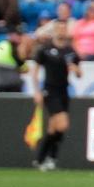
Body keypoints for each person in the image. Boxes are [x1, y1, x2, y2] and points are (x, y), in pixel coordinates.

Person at [31, 21, 80, 170]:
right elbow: (35, 71)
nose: (61, 31)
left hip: (64, 91)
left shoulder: (70, 51)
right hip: (50, 91)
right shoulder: (45, 49)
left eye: (64, 29)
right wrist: (37, 91)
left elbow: (79, 73)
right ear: (54, 31)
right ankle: (51, 158)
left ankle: (42, 160)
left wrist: (75, 69)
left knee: (53, 129)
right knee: (63, 125)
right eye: (59, 28)